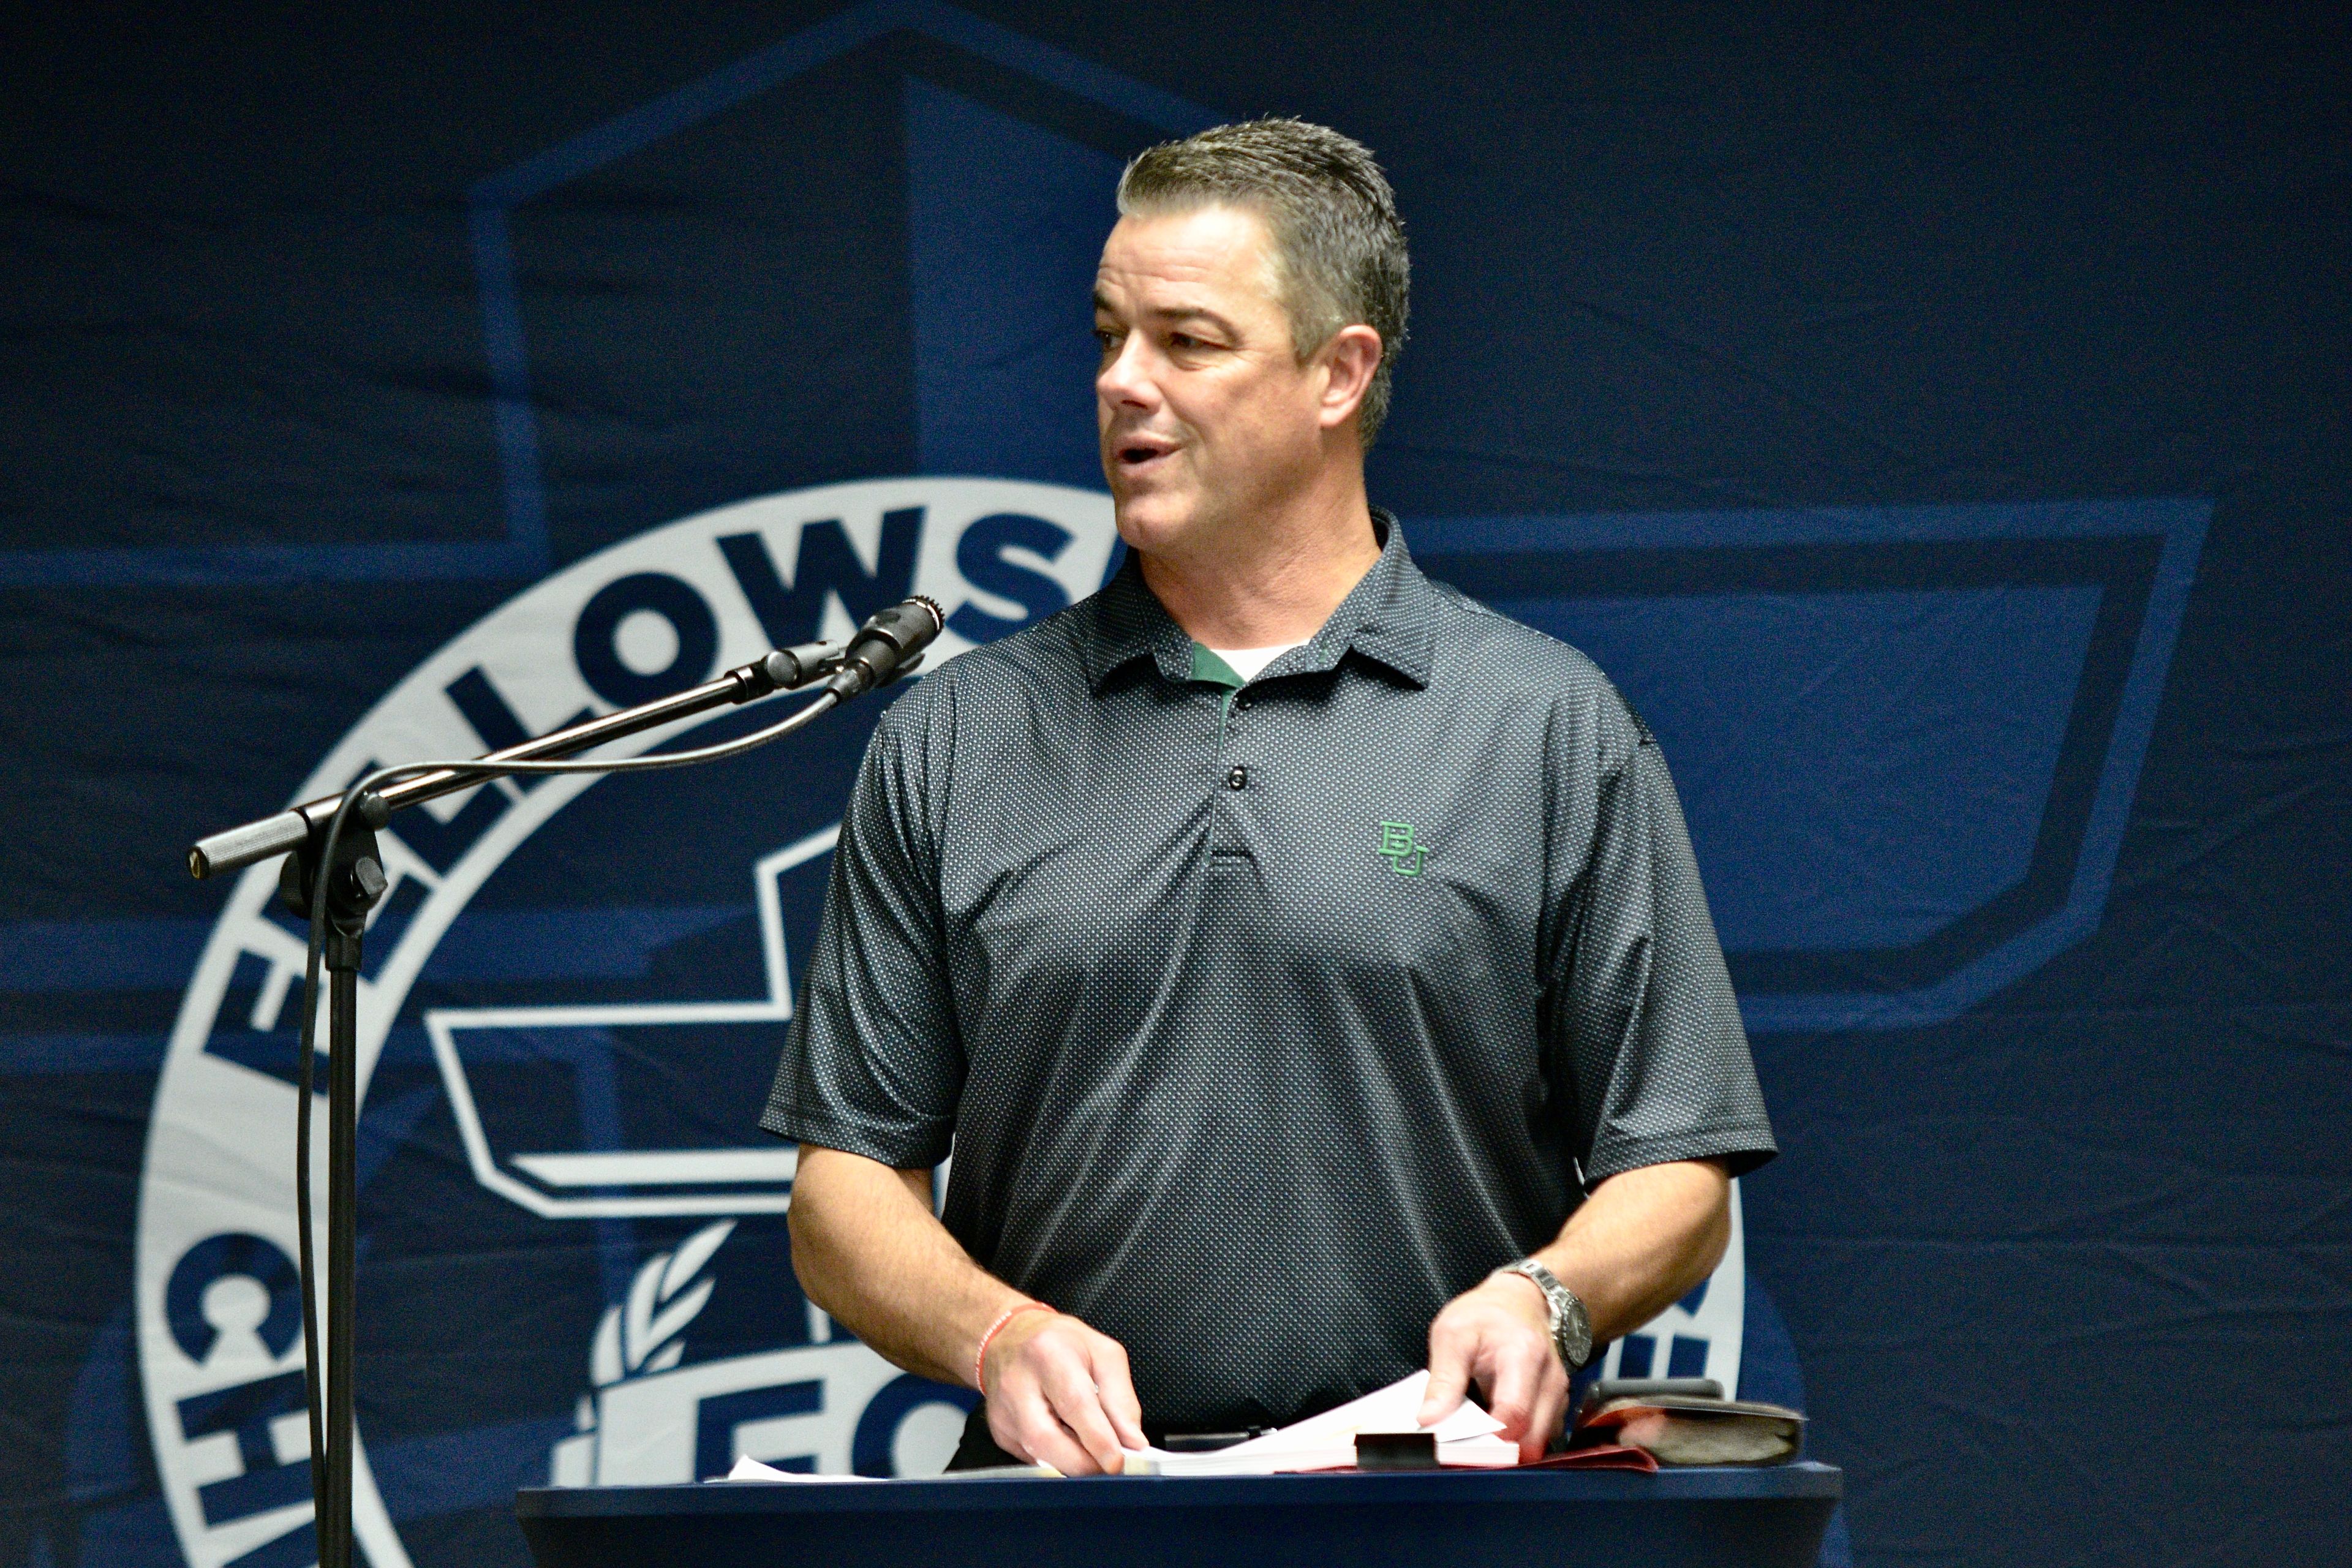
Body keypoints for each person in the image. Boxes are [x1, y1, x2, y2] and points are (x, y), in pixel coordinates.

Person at [764, 118, 1775, 1476]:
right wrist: (994, 1332)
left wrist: (1544, 1295)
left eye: (1187, 342)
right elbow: (841, 1192)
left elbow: (1679, 1166)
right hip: (1058, 1517)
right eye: (1109, 333)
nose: (1124, 382)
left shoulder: (1545, 724)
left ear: (1338, 374)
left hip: (1432, 1509)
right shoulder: (951, 735)